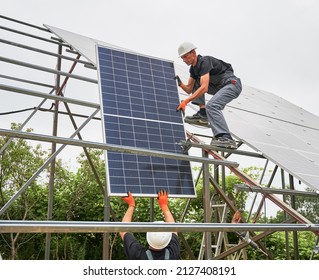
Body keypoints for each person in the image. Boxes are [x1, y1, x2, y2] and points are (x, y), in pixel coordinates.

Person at [175, 42, 242, 149]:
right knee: (198, 80)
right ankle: (203, 114)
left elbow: (204, 88)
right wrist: (180, 84)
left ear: (193, 53)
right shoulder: (193, 69)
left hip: (231, 84)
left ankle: (226, 137)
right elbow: (189, 89)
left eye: (185, 57)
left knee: (212, 105)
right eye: (182, 58)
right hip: (218, 86)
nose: (184, 60)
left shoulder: (204, 61)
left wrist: (186, 102)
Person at [120, 190, 180, 260]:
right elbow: (173, 229)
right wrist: (164, 206)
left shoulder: (139, 255)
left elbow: (123, 230)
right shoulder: (172, 254)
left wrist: (131, 205)